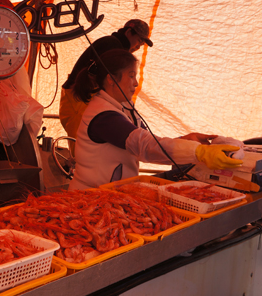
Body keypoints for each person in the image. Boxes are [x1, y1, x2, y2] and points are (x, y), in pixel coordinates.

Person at [68, 49, 243, 190]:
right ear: (112, 79)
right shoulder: (104, 117)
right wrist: (197, 152)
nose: (136, 83)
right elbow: (144, 146)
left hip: (112, 194)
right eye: (131, 75)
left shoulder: (123, 106)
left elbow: (148, 144)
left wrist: (186, 141)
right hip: (90, 197)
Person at [59, 19, 153, 154]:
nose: (139, 46)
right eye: (139, 40)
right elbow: (104, 79)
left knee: (85, 146)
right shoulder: (112, 45)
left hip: (82, 97)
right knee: (82, 147)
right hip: (79, 97)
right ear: (128, 32)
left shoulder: (113, 45)